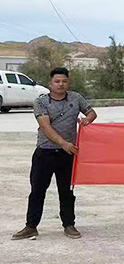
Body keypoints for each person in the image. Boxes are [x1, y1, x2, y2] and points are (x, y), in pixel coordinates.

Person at [11, 67, 96, 240]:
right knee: (37, 191)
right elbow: (45, 126)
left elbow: (91, 113)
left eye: (64, 81)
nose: (60, 84)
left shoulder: (76, 98)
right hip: (45, 153)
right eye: (57, 81)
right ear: (50, 84)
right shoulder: (41, 102)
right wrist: (64, 143)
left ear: (68, 83)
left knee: (67, 192)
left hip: (68, 155)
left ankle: (69, 225)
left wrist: (87, 120)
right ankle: (31, 226)